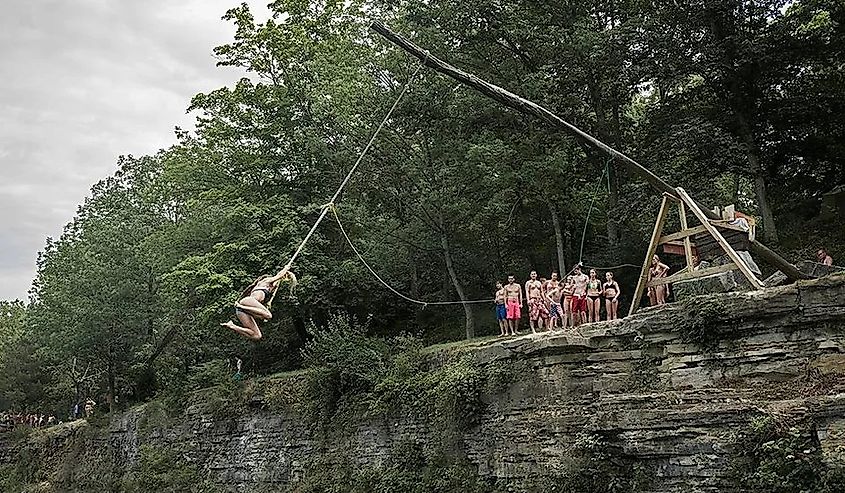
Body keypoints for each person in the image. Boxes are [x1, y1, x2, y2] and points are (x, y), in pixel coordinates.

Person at [221, 267, 297, 340]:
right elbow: (278, 276)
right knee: (269, 315)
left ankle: (232, 325)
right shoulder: (265, 281)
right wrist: (286, 268)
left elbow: (277, 281)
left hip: (241, 311)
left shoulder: (268, 289)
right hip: (246, 302)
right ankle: (241, 306)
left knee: (257, 336)